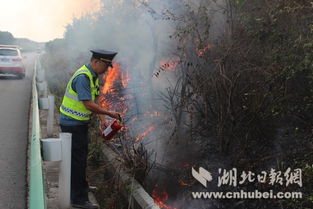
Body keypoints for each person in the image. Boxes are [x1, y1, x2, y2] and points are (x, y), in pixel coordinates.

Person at [59, 49, 120, 209]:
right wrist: (109, 113)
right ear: (96, 62)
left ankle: (82, 188)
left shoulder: (92, 76)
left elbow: (96, 98)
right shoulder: (83, 77)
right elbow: (88, 104)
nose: (106, 70)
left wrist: (103, 120)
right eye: (105, 66)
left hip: (79, 124)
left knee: (81, 158)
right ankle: (78, 200)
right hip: (72, 125)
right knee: (77, 161)